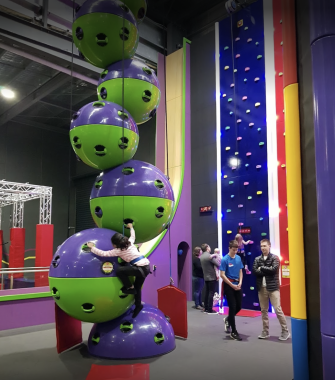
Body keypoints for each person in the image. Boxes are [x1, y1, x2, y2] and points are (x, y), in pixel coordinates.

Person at [87, 224, 150, 319]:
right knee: (138, 287)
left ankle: (129, 287)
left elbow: (104, 254)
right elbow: (133, 236)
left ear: (116, 244)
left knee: (120, 271)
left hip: (140, 269)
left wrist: (92, 248)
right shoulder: (130, 242)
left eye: (113, 244)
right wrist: (131, 227)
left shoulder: (118, 251)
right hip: (146, 266)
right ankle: (138, 306)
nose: (112, 245)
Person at [252, 239, 290, 341]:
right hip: (261, 288)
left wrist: (262, 268)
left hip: (273, 288)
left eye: (265, 246)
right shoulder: (257, 259)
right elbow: (255, 271)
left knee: (278, 310)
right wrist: (265, 269)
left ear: (269, 246)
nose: (263, 248)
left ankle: (285, 331)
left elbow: (274, 270)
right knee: (264, 311)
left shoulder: (275, 258)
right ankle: (265, 331)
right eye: (261, 246)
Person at [220, 240, 243, 341]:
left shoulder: (238, 258)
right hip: (229, 286)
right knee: (232, 307)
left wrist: (240, 282)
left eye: (236, 250)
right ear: (229, 248)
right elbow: (222, 275)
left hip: (237, 284)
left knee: (239, 306)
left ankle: (228, 319)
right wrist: (232, 285)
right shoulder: (225, 259)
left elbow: (240, 271)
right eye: (233, 250)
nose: (235, 252)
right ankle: (233, 331)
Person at [200, 243, 221, 314]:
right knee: (211, 293)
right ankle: (210, 309)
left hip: (206, 276)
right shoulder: (209, 256)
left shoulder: (202, 256)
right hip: (212, 276)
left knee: (207, 292)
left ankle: (206, 308)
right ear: (207, 248)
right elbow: (218, 264)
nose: (210, 247)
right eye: (209, 246)